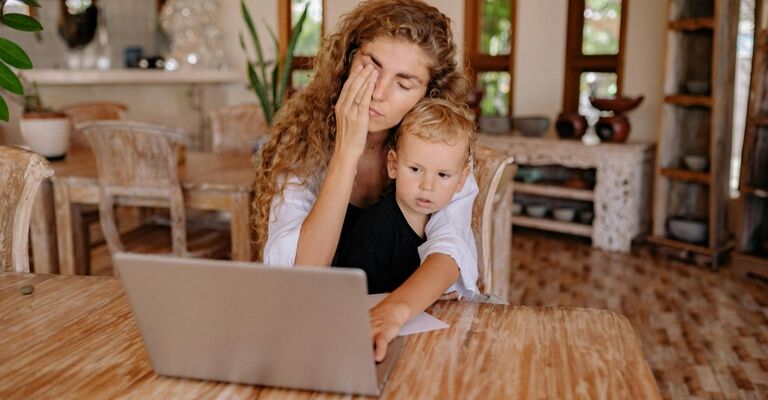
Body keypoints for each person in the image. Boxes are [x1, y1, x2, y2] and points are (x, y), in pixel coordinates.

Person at [251, 0, 478, 361]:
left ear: (427, 94)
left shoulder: (438, 151)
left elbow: (450, 249)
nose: (378, 92)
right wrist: (346, 149)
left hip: (407, 323)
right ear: (348, 59)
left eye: (404, 83)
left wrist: (395, 311)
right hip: (318, 328)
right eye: (370, 67)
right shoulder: (299, 143)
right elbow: (300, 273)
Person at [334, 98, 475, 295]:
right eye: (415, 169)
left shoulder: (444, 222)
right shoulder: (377, 228)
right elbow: (357, 300)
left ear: (461, 180)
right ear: (393, 165)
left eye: (442, 175)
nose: (427, 186)